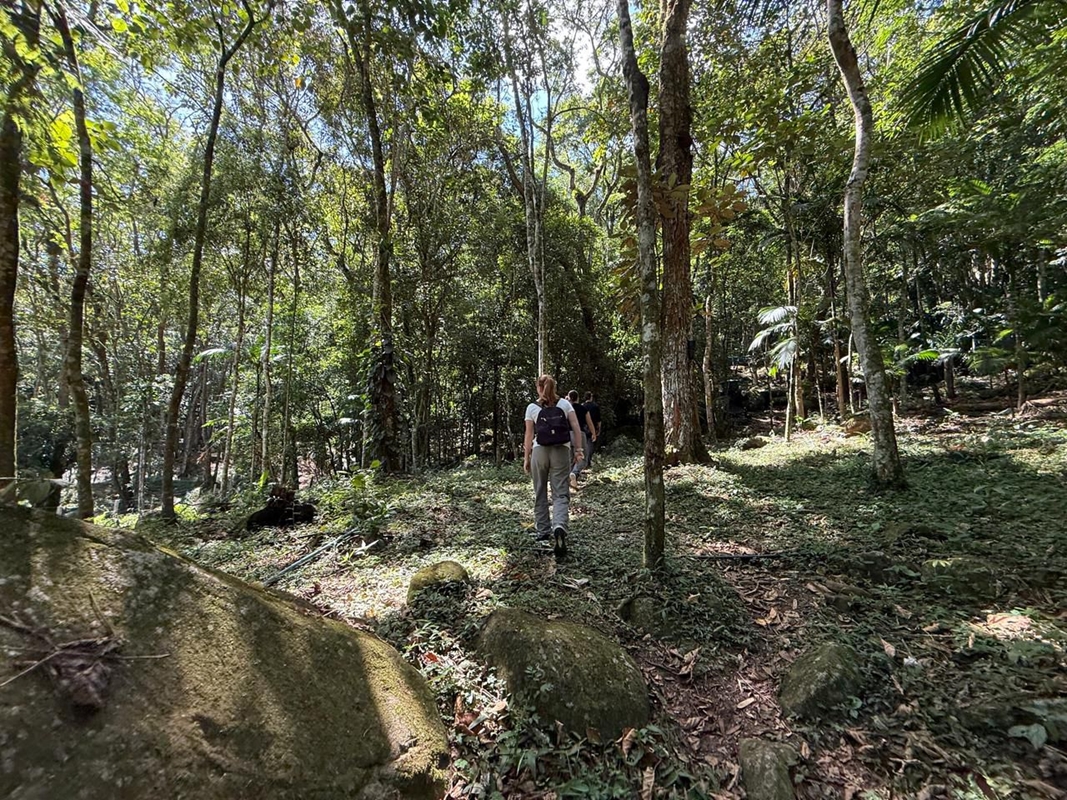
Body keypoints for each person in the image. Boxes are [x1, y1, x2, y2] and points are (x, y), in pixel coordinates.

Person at [524, 375, 584, 557]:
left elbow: (528, 435)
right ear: (554, 386)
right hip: (561, 451)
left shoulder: (532, 408)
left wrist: (527, 457)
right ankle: (559, 526)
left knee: (540, 491)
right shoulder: (565, 405)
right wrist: (578, 450)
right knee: (560, 493)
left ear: (538, 388)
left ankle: (543, 532)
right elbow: (576, 427)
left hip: (540, 451)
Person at [566, 390, 595, 490]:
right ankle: (574, 473)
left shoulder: (566, 409)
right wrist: (593, 433)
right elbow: (589, 422)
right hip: (580, 434)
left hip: (567, 435)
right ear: (578, 398)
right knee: (583, 457)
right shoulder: (583, 408)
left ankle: (569, 481)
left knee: (570, 459)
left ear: (569, 397)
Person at [583, 392, 601, 469]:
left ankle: (584, 462)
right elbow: (599, 420)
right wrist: (599, 429)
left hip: (583, 427)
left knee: (584, 445)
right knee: (591, 445)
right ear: (591, 397)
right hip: (593, 426)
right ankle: (587, 462)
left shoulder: (582, 406)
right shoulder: (595, 406)